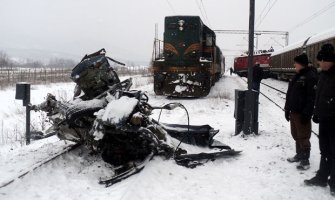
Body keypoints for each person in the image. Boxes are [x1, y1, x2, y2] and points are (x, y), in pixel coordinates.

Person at [304, 43, 335, 196]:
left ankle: (334, 182)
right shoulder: (323, 74)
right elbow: (319, 95)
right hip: (324, 119)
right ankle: (322, 177)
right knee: (325, 151)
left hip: (333, 120)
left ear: (328, 60)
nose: (318, 64)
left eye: (320, 61)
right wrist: (316, 112)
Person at [284, 53, 318, 170]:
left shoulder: (310, 76)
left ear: (301, 64)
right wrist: (287, 109)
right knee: (296, 135)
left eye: (296, 63)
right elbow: (289, 94)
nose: (294, 65)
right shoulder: (297, 76)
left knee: (303, 136)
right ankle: (299, 155)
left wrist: (307, 112)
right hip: (294, 111)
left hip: (302, 113)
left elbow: (311, 97)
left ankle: (305, 159)